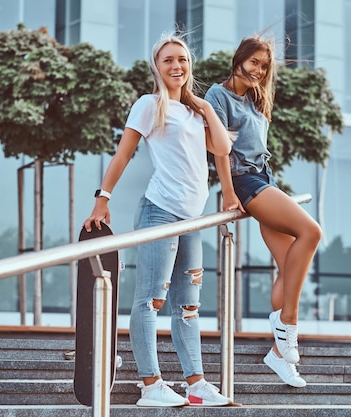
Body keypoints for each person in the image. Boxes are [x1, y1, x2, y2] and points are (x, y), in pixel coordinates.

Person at [83, 33, 232, 407]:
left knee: (188, 306)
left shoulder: (195, 112)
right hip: (159, 212)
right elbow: (123, 155)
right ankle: (151, 385)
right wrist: (103, 198)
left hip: (191, 220)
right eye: (168, 60)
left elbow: (224, 148)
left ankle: (195, 384)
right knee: (151, 299)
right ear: (157, 66)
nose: (176, 66)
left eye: (181, 59)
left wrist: (204, 105)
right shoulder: (150, 105)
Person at [205, 34, 322, 388]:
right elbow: (220, 150)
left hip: (265, 178)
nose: (259, 70)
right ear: (239, 58)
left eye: (264, 65)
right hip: (246, 183)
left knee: (290, 266)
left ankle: (278, 353)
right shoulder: (218, 95)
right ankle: (289, 324)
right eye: (254, 62)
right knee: (312, 232)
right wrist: (228, 192)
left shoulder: (257, 98)